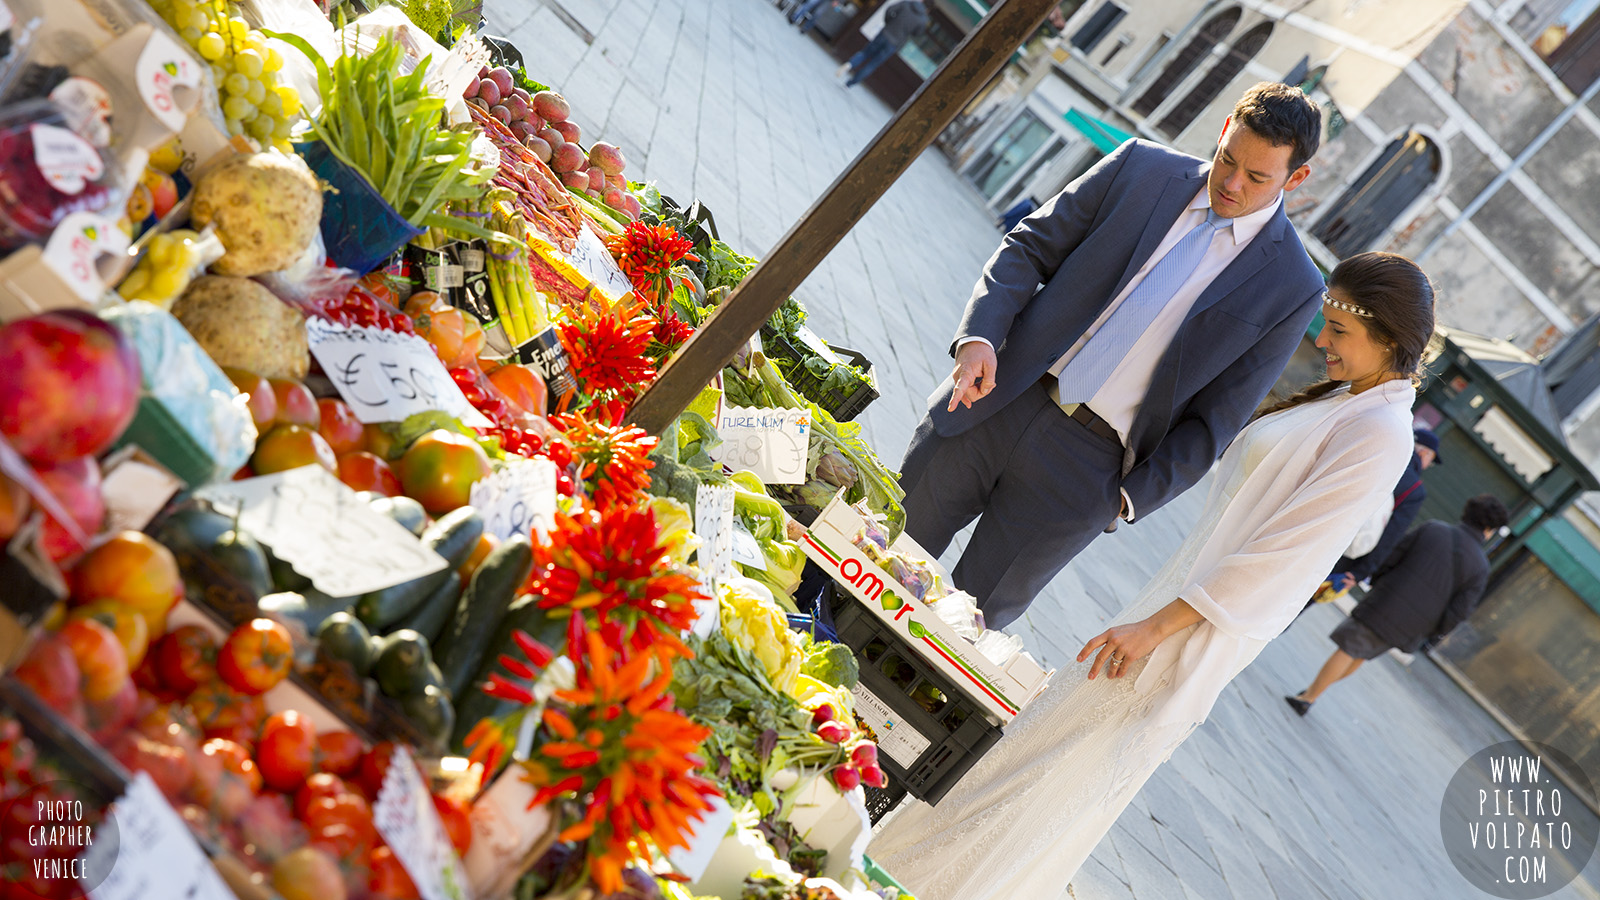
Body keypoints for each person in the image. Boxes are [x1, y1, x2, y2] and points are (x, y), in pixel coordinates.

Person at [868, 252, 1436, 899]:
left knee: (1048, 772)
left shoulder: (1381, 431)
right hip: (1174, 606)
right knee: (1037, 757)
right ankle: (910, 869)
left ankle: (923, 882)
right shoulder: (1351, 401)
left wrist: (1154, 629)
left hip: (1190, 630)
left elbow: (1284, 561)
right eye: (1326, 323)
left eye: (1339, 331)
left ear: (1389, 339)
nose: (1322, 341)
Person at [899, 82, 1325, 629]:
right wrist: (979, 337)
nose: (1232, 183)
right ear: (1223, 132)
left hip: (1085, 473)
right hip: (995, 397)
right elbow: (1029, 246)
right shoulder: (1139, 168)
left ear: (1297, 179)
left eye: (1258, 177)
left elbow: (1218, 421)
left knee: (960, 628)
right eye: (1227, 160)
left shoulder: (1293, 285)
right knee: (873, 542)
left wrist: (1123, 499)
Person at [1285, 493, 1508, 716]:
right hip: (1414, 625)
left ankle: (1309, 698)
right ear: (1489, 529)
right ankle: (1314, 692)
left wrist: (1376, 582)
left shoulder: (1433, 529)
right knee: (1360, 655)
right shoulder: (1480, 568)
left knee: (1349, 649)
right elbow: (1460, 611)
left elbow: (1393, 555)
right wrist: (1431, 630)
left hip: (1387, 601)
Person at [1294, 425, 1440, 618]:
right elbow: (1391, 535)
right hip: (1345, 553)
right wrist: (1359, 572)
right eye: (1431, 459)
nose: (1429, 465)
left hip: (1316, 528)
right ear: (1423, 453)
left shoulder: (1383, 453)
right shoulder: (1414, 489)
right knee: (1296, 603)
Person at [835, 0, 928, 88]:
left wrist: (888, 22)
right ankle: (849, 84)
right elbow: (917, 34)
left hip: (885, 33)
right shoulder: (923, 19)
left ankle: (850, 64)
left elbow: (890, 9)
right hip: (894, 44)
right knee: (872, 64)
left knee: (865, 53)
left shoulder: (906, 4)